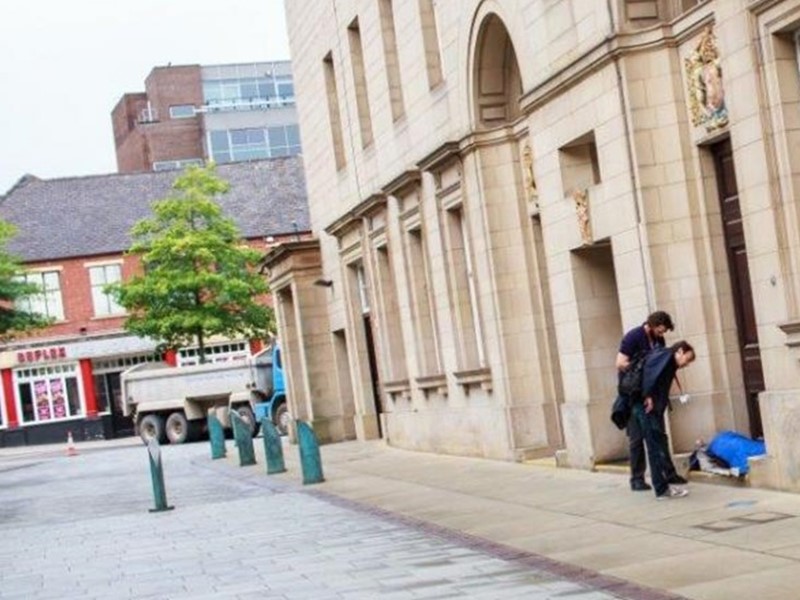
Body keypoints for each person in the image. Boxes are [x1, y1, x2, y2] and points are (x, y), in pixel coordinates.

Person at [616, 311, 685, 491]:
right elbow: (620, 363)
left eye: (663, 332)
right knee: (637, 438)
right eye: (660, 331)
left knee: (659, 435)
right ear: (652, 325)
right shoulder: (633, 337)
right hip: (633, 395)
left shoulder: (658, 341)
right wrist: (641, 365)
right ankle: (637, 478)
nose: (662, 335)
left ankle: (668, 473)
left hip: (651, 396)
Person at [636, 340, 696, 499]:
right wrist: (647, 395)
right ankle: (662, 489)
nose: (686, 364)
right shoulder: (666, 358)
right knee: (655, 447)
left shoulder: (667, 361)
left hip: (652, 408)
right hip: (648, 408)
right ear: (681, 351)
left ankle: (666, 481)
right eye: (687, 359)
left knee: (658, 444)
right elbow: (650, 375)